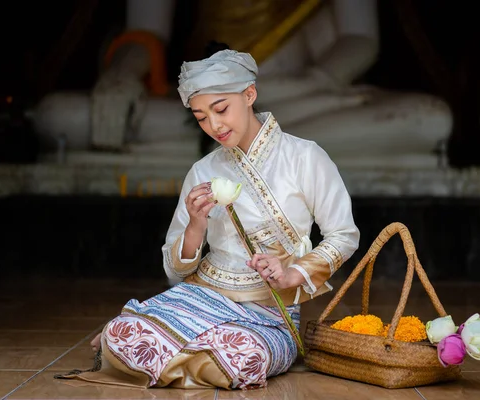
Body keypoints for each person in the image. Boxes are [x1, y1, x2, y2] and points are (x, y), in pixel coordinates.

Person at [57, 48, 360, 391]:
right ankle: (166, 342)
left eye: (220, 109)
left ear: (250, 94)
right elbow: (176, 272)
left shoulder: (305, 157)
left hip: (269, 315)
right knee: (120, 333)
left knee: (244, 359)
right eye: (201, 117)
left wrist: (293, 273)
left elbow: (343, 235)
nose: (214, 125)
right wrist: (195, 226)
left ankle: (161, 347)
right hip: (201, 298)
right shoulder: (203, 170)